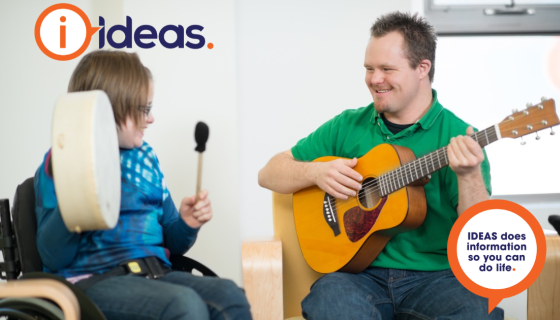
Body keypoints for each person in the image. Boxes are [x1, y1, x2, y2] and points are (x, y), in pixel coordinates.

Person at [258, 12, 503, 320]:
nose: (374, 79)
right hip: (358, 276)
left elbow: (479, 235)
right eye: (369, 68)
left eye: (387, 69)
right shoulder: (348, 125)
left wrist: (468, 176)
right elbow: (268, 173)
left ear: (422, 69)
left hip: (438, 279)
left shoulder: (460, 137)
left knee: (477, 310)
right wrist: (316, 172)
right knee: (328, 300)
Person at [35, 50, 252, 320]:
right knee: (182, 305)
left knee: (230, 296)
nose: (151, 119)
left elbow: (170, 242)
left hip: (155, 275)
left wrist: (186, 224)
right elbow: (52, 256)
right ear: (112, 107)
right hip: (91, 283)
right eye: (144, 109)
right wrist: (77, 201)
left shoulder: (146, 157)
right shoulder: (62, 160)